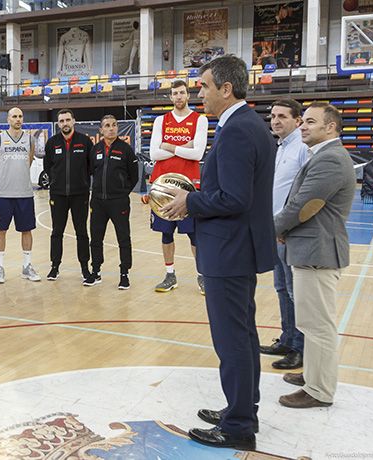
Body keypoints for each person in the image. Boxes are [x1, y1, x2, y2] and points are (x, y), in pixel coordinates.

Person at [160, 55, 275, 450]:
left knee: (231, 340)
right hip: (237, 248)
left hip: (229, 250)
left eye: (205, 86)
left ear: (226, 89)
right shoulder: (247, 125)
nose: (199, 94)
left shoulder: (238, 130)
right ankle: (242, 408)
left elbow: (235, 197)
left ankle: (239, 424)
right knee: (242, 334)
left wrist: (190, 202)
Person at [274, 103, 355, 409]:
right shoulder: (323, 156)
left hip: (318, 251)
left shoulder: (331, 159)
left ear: (331, 127)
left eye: (310, 122)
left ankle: (319, 390)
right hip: (310, 247)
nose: (303, 126)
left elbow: (304, 205)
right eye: (303, 121)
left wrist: (274, 228)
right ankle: (312, 375)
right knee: (310, 322)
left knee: (318, 325)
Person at [259, 98, 307, 371]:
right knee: (281, 288)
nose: (275, 121)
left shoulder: (301, 148)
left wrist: (287, 226)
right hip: (273, 229)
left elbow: (301, 192)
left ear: (297, 120)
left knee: (293, 290)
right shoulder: (279, 147)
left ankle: (299, 348)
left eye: (282, 116)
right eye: (273, 116)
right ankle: (287, 339)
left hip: (288, 232)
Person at [147, 80, 207, 294]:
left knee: (194, 235)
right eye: (175, 93)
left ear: (188, 95)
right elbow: (154, 154)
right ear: (170, 97)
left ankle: (202, 276)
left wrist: (169, 146)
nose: (179, 96)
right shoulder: (160, 120)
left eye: (182, 93)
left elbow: (198, 154)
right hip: (162, 185)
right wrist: (185, 146)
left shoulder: (199, 120)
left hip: (189, 186)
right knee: (166, 233)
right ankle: (170, 275)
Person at [84, 115, 138, 289]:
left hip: (119, 202)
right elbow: (90, 171)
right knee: (96, 239)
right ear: (101, 130)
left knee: (123, 238)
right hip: (98, 202)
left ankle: (124, 274)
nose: (111, 128)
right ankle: (96, 271)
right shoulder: (95, 150)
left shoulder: (126, 150)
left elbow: (134, 176)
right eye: (107, 125)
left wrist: (122, 193)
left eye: (114, 125)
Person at [0, 107, 40, 283]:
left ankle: (26, 266)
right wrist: (2, 179)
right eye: (14, 116)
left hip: (25, 192)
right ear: (8, 119)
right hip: (4, 194)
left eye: (20, 116)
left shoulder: (30, 140)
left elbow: (30, 160)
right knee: (0, 229)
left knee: (27, 229)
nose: (18, 119)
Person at [43, 109, 93, 282]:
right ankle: (54, 267)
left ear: (74, 121)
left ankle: (85, 268)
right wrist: (56, 182)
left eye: (67, 120)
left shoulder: (85, 142)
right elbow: (48, 167)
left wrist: (83, 183)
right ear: (58, 124)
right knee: (57, 232)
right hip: (58, 195)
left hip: (80, 195)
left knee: (82, 232)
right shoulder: (52, 143)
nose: (65, 123)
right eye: (61, 121)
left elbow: (90, 166)